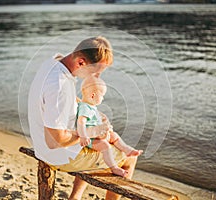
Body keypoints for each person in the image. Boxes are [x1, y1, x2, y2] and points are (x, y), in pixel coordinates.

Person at [28, 36, 139, 200]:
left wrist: (90, 110)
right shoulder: (60, 86)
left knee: (101, 136)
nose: (98, 78)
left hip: (41, 143)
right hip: (55, 154)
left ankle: (75, 197)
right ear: (81, 62)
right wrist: (94, 131)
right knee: (129, 157)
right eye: (96, 72)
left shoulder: (54, 63)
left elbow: (61, 101)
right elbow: (55, 141)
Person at [77, 76, 143, 177]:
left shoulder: (90, 107)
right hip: (91, 140)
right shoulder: (85, 108)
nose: (103, 98)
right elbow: (81, 122)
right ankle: (114, 167)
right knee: (105, 146)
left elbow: (95, 121)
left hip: (97, 134)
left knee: (114, 135)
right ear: (93, 95)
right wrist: (83, 136)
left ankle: (127, 150)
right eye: (102, 95)